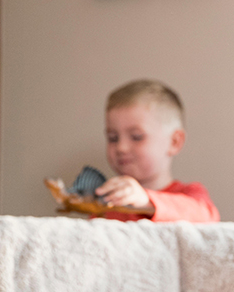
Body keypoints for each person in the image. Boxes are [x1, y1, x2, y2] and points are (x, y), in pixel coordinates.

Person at [94, 79, 220, 223]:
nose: (121, 147)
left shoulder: (190, 194)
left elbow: (207, 216)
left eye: (137, 137)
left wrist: (146, 200)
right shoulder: (105, 205)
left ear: (174, 142)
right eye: (113, 138)